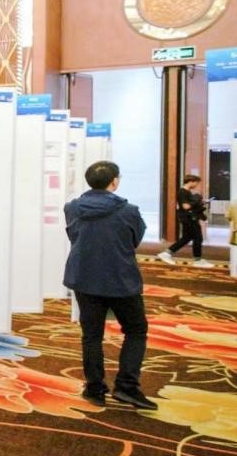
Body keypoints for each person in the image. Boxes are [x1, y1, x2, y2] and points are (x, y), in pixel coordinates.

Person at [64, 160, 155, 411]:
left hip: (84, 277)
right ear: (114, 181)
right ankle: (127, 386)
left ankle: (95, 387)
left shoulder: (72, 208)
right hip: (121, 279)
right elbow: (134, 240)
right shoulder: (129, 211)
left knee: (91, 334)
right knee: (136, 330)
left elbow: (73, 236)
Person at [159, 174, 212, 267]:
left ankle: (167, 253)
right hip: (188, 218)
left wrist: (200, 202)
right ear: (191, 182)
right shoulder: (182, 192)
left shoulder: (187, 192)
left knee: (187, 238)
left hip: (189, 217)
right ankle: (197, 260)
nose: (197, 185)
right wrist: (197, 199)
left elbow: (191, 204)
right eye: (196, 183)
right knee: (197, 238)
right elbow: (186, 206)